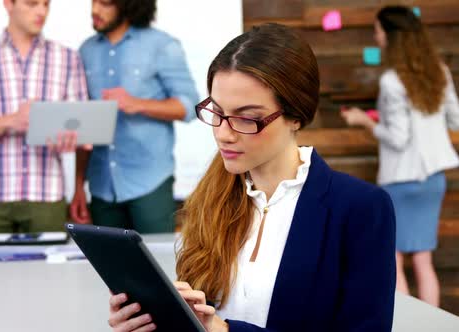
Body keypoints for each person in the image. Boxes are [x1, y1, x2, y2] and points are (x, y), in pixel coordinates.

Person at [107, 23, 396, 331]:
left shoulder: (360, 209)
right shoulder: (210, 197)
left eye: (246, 118)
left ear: (296, 115)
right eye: (217, 112)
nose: (223, 134)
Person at [342, 5, 459, 307]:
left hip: (401, 180)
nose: (375, 35)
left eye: (378, 30)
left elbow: (398, 138)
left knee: (392, 258)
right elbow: (455, 120)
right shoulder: (440, 72)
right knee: (423, 259)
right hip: (433, 179)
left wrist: (365, 121)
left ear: (392, 36)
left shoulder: (392, 81)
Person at [0, 0, 88, 239]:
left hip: (47, 194)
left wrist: (72, 139)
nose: (41, 12)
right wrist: (12, 121)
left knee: (49, 276)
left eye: (46, 5)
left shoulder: (68, 59)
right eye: (32, 3)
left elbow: (81, 128)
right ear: (8, 4)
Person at [71, 0, 199, 233]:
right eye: (93, 2)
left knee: (157, 263)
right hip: (101, 185)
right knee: (107, 265)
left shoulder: (162, 46)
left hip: (150, 181)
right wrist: (79, 185)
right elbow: (83, 126)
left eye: (105, 3)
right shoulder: (85, 51)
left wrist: (138, 104)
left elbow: (190, 106)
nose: (95, 10)